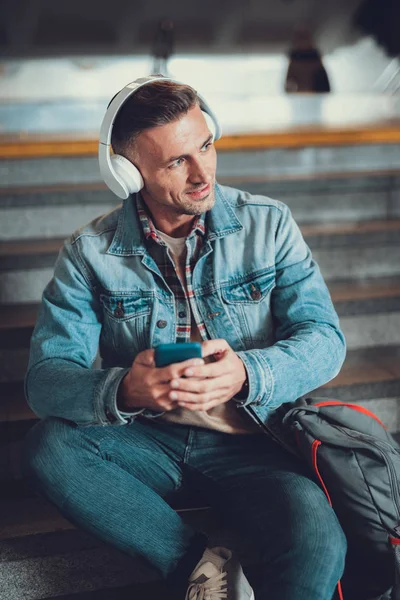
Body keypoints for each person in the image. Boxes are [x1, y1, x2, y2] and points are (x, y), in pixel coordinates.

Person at [23, 76, 347, 600]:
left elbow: (326, 339)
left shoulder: (269, 225)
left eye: (206, 145)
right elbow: (45, 381)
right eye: (176, 162)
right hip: (148, 440)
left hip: (255, 441)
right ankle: (199, 564)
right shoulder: (88, 254)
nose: (203, 174)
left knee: (318, 541)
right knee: (48, 449)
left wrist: (247, 372)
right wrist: (125, 390)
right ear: (130, 174)